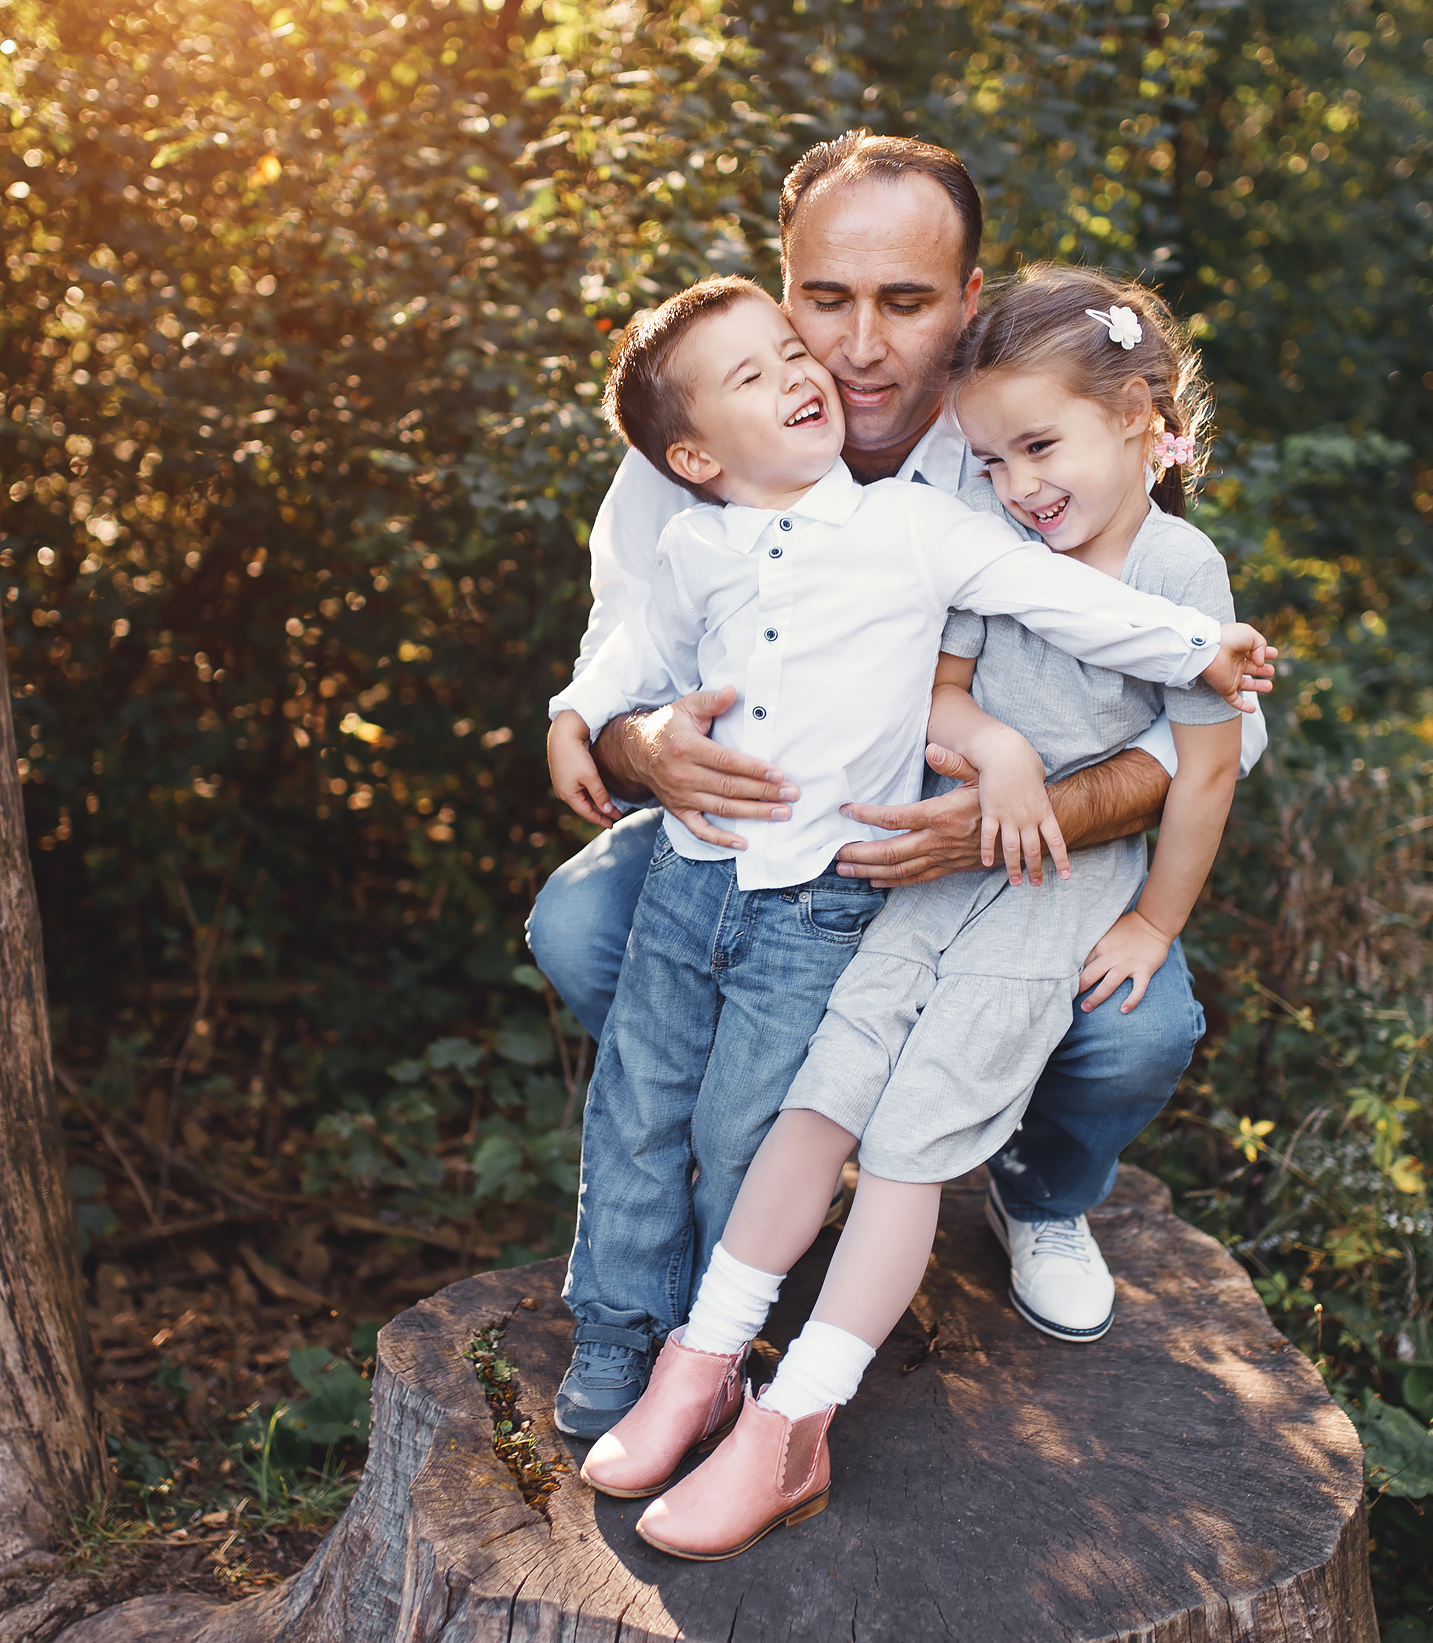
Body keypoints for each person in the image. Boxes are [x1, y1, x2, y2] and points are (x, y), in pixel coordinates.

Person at [530, 134, 1271, 1432]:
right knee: (582, 927)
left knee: (1137, 1028)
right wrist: (637, 741)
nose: (859, 346)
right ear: (784, 282)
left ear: (968, 300)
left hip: (983, 857)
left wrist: (996, 823)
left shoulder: (1021, 445)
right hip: (758, 850)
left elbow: (1205, 729)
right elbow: (624, 647)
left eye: (907, 303)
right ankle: (765, 1198)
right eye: (826, 299)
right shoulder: (696, 428)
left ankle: (1033, 1189)